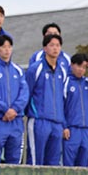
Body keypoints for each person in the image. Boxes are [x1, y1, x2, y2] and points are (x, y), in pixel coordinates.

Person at [26, 32, 70, 166]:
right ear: (45, 48)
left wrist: (64, 124)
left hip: (57, 123)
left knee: (53, 163)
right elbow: (27, 93)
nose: (55, 48)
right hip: (39, 120)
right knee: (36, 161)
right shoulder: (36, 68)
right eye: (52, 45)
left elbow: (63, 99)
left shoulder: (63, 71)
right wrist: (30, 114)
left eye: (58, 45)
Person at [0, 34, 28, 164]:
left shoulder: (18, 70)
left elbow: (24, 92)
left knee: (15, 159)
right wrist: (5, 110)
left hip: (16, 120)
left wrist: (14, 110)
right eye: (3, 47)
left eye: (9, 47)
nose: (7, 50)